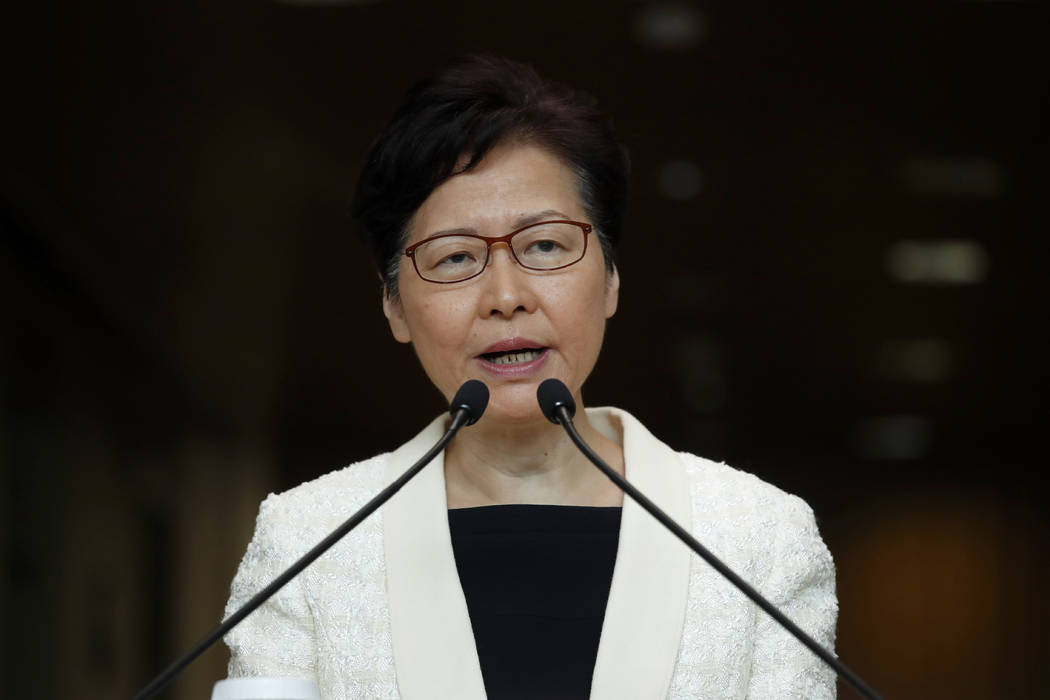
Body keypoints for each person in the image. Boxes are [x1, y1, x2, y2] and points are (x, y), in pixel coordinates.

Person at [223, 55, 837, 699]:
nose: (506, 296)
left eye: (544, 245)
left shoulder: (757, 539)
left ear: (611, 278)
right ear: (394, 305)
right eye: (455, 256)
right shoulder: (308, 539)